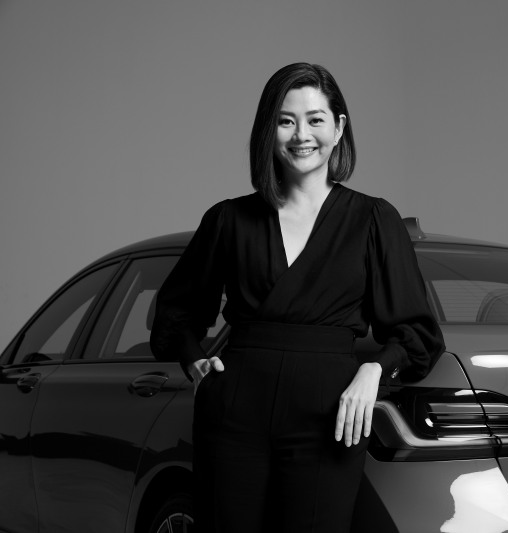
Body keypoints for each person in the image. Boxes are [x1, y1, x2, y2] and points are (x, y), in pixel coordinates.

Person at [149, 62, 445, 532]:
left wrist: (374, 369)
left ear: (339, 127)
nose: (301, 135)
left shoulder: (373, 220)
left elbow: (418, 333)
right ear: (268, 131)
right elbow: (175, 313)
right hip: (233, 414)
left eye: (315, 119)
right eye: (286, 121)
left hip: (331, 415)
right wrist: (195, 363)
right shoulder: (229, 220)